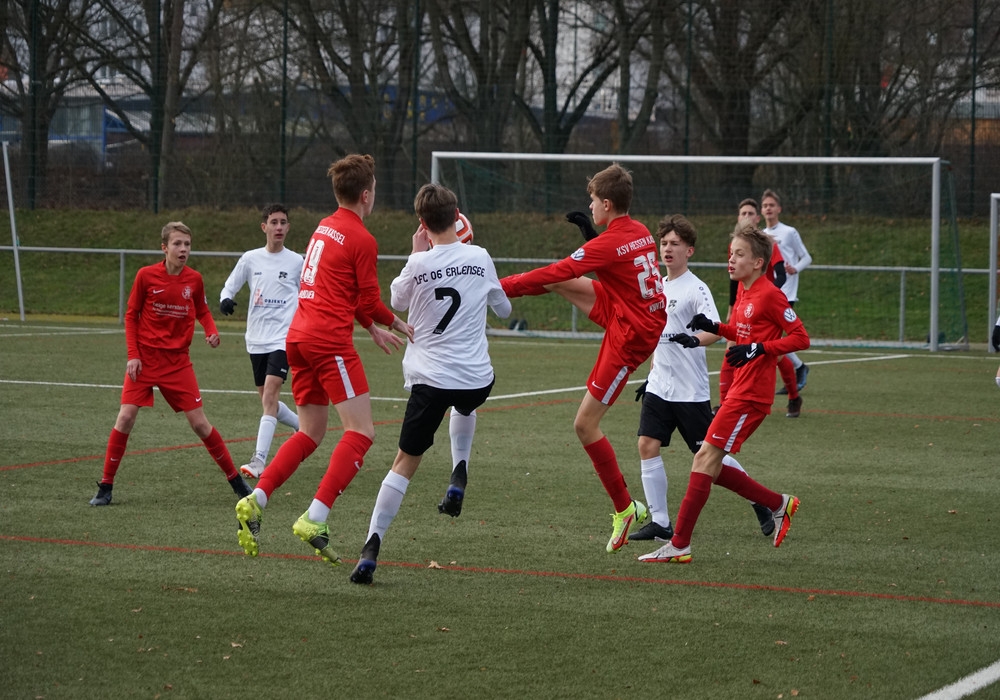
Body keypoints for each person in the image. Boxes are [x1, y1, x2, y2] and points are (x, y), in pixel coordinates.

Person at [234, 154, 414, 566]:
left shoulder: (325, 226)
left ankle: (257, 499)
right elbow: (368, 299)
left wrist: (369, 327)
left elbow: (341, 290)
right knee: (362, 432)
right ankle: (315, 517)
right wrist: (397, 323)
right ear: (366, 195)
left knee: (311, 431)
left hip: (298, 337)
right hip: (328, 342)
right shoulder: (362, 238)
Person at [349, 184, 511, 584]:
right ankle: (459, 471)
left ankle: (371, 546)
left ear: (422, 223)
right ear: (457, 216)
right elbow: (505, 310)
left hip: (430, 381)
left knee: (404, 463)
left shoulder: (418, 263)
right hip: (476, 379)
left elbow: (397, 304)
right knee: (466, 404)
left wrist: (416, 254)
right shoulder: (480, 256)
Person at [503, 162, 665, 553]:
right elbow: (615, 263)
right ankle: (629, 508)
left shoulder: (610, 243)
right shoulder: (640, 230)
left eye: (592, 200)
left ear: (607, 204)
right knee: (560, 280)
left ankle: (625, 508)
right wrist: (593, 240)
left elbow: (558, 268)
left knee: (584, 424)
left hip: (631, 336)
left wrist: (497, 287)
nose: (589, 206)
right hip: (628, 309)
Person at [638, 223, 809, 564]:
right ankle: (777, 504)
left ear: (758, 262)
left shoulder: (770, 294)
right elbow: (743, 331)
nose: (731, 260)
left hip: (752, 396)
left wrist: (759, 348)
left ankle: (679, 543)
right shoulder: (745, 291)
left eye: (739, 254)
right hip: (738, 390)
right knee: (710, 466)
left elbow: (801, 337)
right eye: (731, 254)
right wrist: (715, 327)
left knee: (704, 459)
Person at [89, 221, 251, 506]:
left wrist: (211, 331)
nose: (183, 249)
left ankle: (236, 482)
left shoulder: (194, 279)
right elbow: (131, 315)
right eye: (177, 244)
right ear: (164, 248)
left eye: (187, 244)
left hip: (177, 363)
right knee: (125, 418)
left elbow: (202, 310)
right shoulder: (145, 276)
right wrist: (133, 355)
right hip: (145, 359)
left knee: (200, 424)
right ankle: (105, 486)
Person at [219, 204, 303, 479]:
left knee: (270, 395)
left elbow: (308, 295)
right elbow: (229, 286)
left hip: (283, 338)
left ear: (288, 227)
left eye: (283, 222)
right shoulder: (250, 259)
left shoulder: (297, 262)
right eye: (274, 222)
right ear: (264, 227)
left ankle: (259, 460)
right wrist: (225, 299)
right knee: (268, 401)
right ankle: (302, 426)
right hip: (256, 339)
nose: (279, 227)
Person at [722, 198, 802, 418]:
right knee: (731, 348)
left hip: (761, 306)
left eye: (751, 214)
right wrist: (732, 306)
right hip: (741, 303)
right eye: (743, 213)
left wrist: (764, 297)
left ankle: (794, 396)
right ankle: (723, 404)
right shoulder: (735, 244)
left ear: (757, 219)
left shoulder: (767, 244)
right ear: (738, 217)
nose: (747, 217)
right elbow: (733, 279)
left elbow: (781, 273)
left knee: (775, 356)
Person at [761, 189, 811, 393]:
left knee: (775, 338)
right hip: (767, 291)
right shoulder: (761, 235)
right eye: (765, 205)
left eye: (771, 205)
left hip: (786, 292)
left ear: (779, 209)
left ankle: (797, 369)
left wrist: (795, 268)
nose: (768, 209)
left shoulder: (789, 232)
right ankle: (795, 374)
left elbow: (806, 257)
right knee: (769, 338)